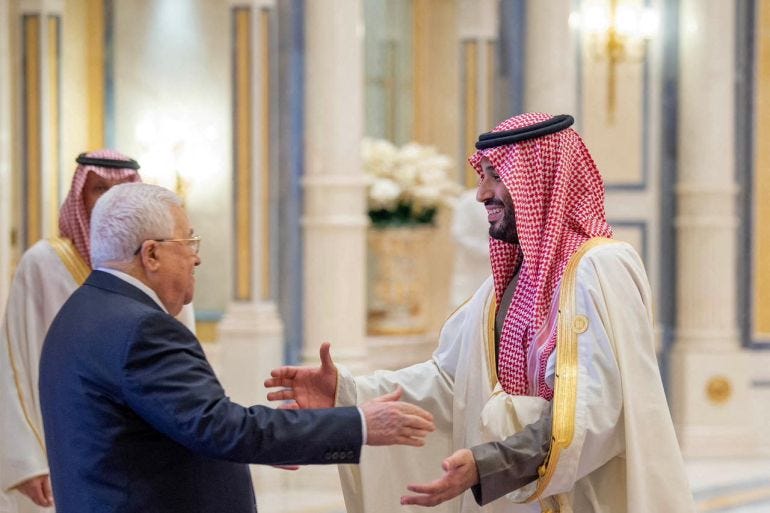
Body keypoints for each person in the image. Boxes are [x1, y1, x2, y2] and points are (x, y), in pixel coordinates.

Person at [265, 113, 696, 512]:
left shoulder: (599, 268)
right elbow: (452, 382)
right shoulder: (503, 287)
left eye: (497, 177)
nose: (482, 193)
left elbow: (599, 409)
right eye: (482, 177)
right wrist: (345, 393)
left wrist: (491, 463)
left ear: (541, 182)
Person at [38, 182, 435, 513]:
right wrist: (360, 424)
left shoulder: (82, 310)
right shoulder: (141, 327)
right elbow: (219, 427)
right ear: (152, 254)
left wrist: (275, 441)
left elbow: (178, 427)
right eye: (188, 241)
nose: (196, 257)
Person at [0, 150, 160, 513]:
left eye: (119, 191)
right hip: (59, 442)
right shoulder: (42, 264)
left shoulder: (156, 261)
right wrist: (27, 460)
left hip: (137, 445)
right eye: (98, 189)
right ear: (79, 196)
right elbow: (12, 364)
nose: (109, 200)